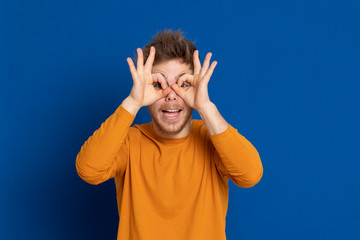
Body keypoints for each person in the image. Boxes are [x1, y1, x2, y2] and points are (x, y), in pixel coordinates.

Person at [76, 29, 263, 240]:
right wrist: (132, 102)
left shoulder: (213, 138)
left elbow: (250, 175)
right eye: (158, 84)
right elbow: (88, 170)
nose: (171, 95)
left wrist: (205, 107)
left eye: (184, 84)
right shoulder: (128, 141)